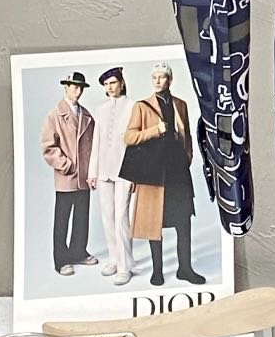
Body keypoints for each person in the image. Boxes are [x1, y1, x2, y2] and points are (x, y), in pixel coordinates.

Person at [122, 63, 205, 287]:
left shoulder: (181, 104)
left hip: (177, 171)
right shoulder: (142, 106)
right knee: (154, 222)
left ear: (170, 80)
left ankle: (185, 269)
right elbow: (129, 137)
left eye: (163, 77)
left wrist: (187, 158)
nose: (158, 81)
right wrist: (155, 130)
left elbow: (187, 136)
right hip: (153, 172)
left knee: (183, 221)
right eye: (155, 77)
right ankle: (157, 271)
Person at [40, 71, 97, 277]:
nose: (78, 91)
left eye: (81, 87)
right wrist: (66, 164)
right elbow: (48, 147)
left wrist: (93, 171)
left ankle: (79, 252)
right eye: (74, 87)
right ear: (66, 87)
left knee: (82, 217)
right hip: (66, 176)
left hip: (84, 177)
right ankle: (61, 260)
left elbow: (94, 146)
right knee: (62, 219)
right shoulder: (54, 115)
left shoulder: (87, 115)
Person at [88, 66, 135, 286]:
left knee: (121, 217)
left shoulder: (133, 106)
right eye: (106, 84)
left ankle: (125, 267)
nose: (110, 87)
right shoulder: (101, 109)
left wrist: (134, 174)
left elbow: (136, 145)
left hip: (125, 170)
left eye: (113, 83)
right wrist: (92, 172)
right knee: (107, 217)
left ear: (122, 83)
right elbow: (96, 142)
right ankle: (114, 260)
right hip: (104, 170)